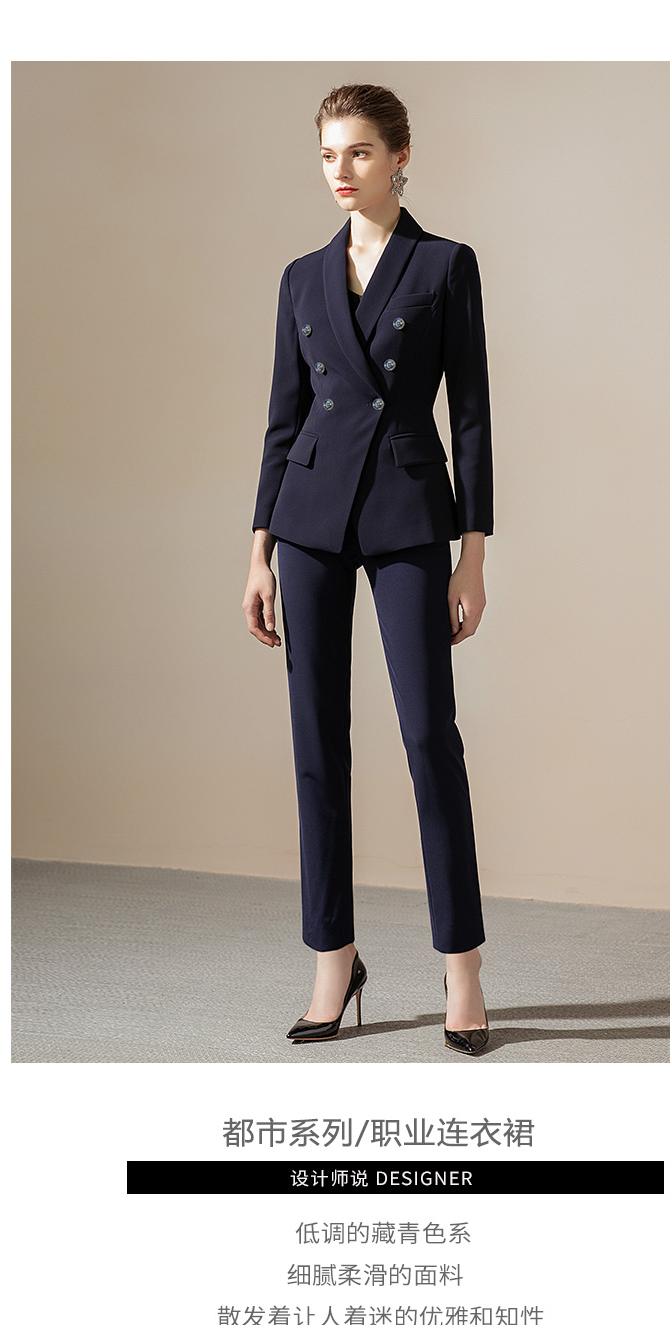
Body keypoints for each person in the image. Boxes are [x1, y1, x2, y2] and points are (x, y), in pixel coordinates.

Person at [242, 83, 494, 1055]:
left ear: (399, 158)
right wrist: (258, 552)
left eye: (357, 152)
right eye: (327, 155)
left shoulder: (444, 265)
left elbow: (470, 416)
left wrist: (472, 553)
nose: (339, 172)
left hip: (405, 515)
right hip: (307, 522)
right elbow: (282, 420)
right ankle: (332, 960)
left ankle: (462, 968)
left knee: (430, 737)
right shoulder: (301, 277)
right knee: (316, 744)